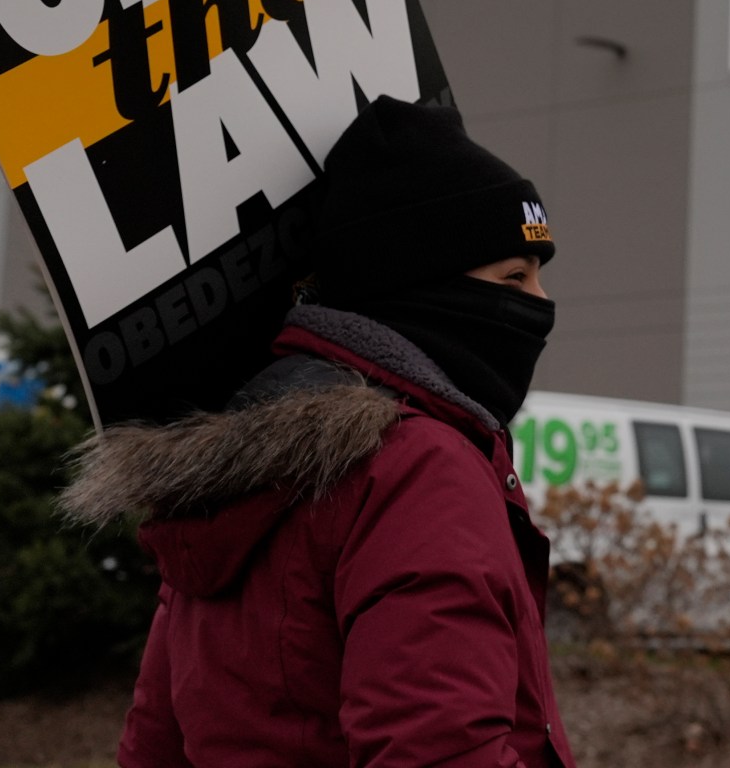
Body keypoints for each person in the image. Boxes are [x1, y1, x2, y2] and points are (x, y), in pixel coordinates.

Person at [65, 97, 572, 767]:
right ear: (416, 286)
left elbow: (153, 743)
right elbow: (439, 751)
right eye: (514, 276)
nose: (540, 305)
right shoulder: (418, 468)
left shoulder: (229, 464)